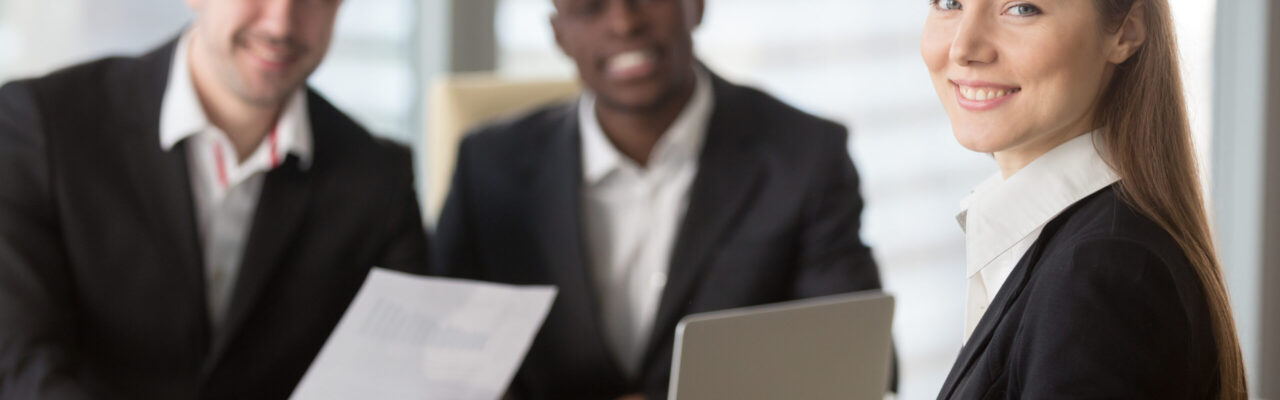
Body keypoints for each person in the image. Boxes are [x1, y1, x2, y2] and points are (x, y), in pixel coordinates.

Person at [433, 0, 887, 398]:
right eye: (590, 6)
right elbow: (439, 365)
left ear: (697, 5)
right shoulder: (488, 168)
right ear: (559, 34)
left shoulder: (805, 154)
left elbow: (861, 364)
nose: (625, 23)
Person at [0, 0, 430, 398]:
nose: (281, 22)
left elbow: (406, 376)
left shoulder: (379, 180)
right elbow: (19, 362)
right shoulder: (43, 127)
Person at [920, 0, 1247, 398]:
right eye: (949, 3)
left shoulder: (1103, 274)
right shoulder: (1074, 245)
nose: (964, 48)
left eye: (1022, 8)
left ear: (1125, 32)